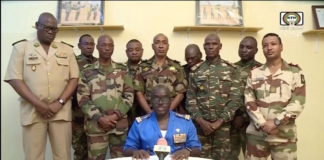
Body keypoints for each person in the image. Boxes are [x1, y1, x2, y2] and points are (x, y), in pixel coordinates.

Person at [4, 12, 79, 160]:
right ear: (37, 25)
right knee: (33, 156)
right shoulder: (22, 48)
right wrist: (40, 105)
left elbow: (74, 78)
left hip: (61, 112)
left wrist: (59, 103)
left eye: (54, 29)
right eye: (46, 28)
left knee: (63, 155)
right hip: (33, 111)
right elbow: (14, 79)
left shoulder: (67, 49)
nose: (51, 32)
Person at [244, 33, 306, 160]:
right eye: (265, 45)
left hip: (283, 135)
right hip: (257, 135)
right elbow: (249, 101)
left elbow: (298, 102)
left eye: (273, 44)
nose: (269, 48)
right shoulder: (255, 73)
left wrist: (276, 122)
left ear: (281, 47)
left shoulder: (294, 72)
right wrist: (263, 124)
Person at [77, 34, 134, 159]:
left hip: (119, 127)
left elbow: (129, 96)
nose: (107, 48)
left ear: (113, 48)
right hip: (96, 127)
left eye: (110, 45)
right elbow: (83, 99)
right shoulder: (87, 71)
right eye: (104, 45)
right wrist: (100, 118)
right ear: (97, 47)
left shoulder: (123, 70)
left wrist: (115, 116)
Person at [186, 33, 242, 160]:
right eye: (207, 44)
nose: (210, 47)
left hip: (223, 128)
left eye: (214, 44)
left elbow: (235, 99)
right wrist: (201, 121)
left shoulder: (231, 70)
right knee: (199, 158)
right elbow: (190, 99)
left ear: (220, 46)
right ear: (204, 47)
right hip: (200, 128)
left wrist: (219, 121)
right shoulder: (195, 71)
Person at [123, 85, 201, 160]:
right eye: (156, 99)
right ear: (151, 101)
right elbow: (127, 149)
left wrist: (187, 151)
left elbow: (197, 149)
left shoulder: (185, 122)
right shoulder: (140, 124)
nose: (160, 102)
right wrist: (135, 152)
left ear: (170, 101)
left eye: (165, 99)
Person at [133, 33, 187, 115]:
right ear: (152, 46)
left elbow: (181, 93)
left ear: (168, 46)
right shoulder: (143, 67)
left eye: (164, 43)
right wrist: (149, 112)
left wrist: (167, 112)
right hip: (148, 114)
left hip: (171, 114)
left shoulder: (177, 68)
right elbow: (138, 93)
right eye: (157, 42)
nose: (161, 46)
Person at [229, 36, 263, 160]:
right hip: (231, 122)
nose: (244, 50)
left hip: (252, 123)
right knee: (229, 156)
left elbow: (262, 99)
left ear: (256, 50)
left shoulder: (261, 70)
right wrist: (233, 116)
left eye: (249, 47)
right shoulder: (230, 68)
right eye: (241, 47)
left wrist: (243, 117)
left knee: (252, 156)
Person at [72, 34, 97, 160]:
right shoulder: (73, 63)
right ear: (79, 46)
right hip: (78, 115)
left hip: (96, 114)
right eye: (86, 44)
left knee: (95, 150)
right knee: (80, 150)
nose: (89, 47)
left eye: (92, 44)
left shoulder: (99, 63)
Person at [124, 39, 144, 127]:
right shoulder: (120, 69)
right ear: (126, 52)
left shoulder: (149, 68)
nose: (134, 52)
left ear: (142, 51)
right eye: (131, 50)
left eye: (137, 50)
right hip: (125, 114)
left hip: (144, 112)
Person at [181, 44, 203, 114]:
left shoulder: (208, 69)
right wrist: (180, 109)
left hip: (204, 112)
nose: (190, 61)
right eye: (187, 59)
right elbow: (177, 92)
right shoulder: (182, 70)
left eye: (192, 58)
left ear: (200, 55)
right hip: (186, 111)